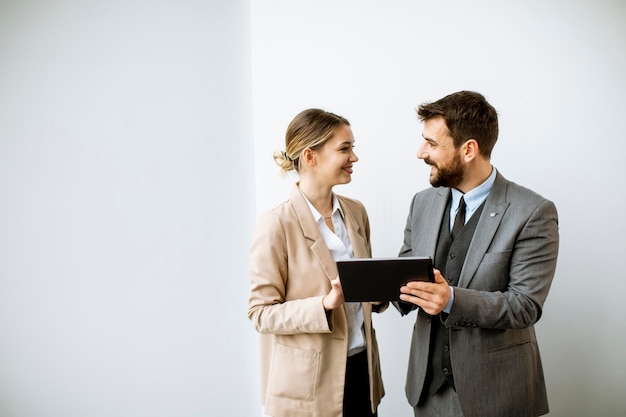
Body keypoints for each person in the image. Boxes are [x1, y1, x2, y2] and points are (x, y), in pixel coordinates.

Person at [395, 91, 559, 417]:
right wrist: (375, 291)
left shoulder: (533, 212)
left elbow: (525, 306)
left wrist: (452, 300)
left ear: (468, 149)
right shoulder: (422, 203)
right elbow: (406, 271)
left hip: (497, 393)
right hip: (428, 393)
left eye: (432, 143)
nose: (420, 152)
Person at [248, 109, 385, 417]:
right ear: (310, 157)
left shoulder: (356, 213)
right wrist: (324, 304)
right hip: (308, 388)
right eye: (344, 148)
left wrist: (377, 295)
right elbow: (260, 314)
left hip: (362, 373)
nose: (354, 157)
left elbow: (366, 289)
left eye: (353, 147)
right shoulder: (275, 224)